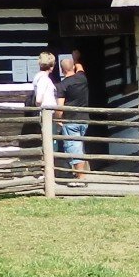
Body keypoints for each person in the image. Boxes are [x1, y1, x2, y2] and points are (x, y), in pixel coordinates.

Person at [56, 51, 90, 180]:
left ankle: (81, 177)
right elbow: (80, 67)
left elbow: (60, 106)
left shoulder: (62, 85)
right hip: (84, 119)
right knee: (78, 146)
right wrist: (75, 60)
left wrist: (58, 118)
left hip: (71, 120)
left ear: (61, 70)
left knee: (74, 147)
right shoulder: (82, 78)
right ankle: (78, 174)